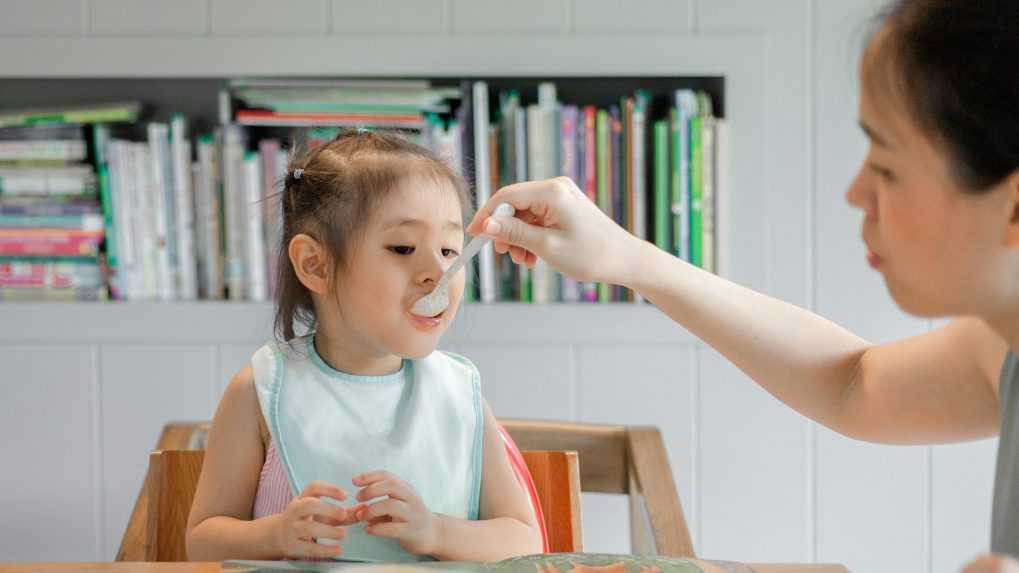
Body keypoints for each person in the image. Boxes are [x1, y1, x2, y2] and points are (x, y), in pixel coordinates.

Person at [468, 1, 1019, 570]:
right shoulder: (1001, 346)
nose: (856, 192)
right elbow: (853, 382)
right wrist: (626, 258)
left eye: (886, 166)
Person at [186, 130, 542, 562]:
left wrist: (435, 532)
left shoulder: (460, 394)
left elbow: (524, 541)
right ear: (315, 265)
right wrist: (275, 536)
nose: (438, 272)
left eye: (450, 250)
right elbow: (201, 541)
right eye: (403, 247)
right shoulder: (258, 391)